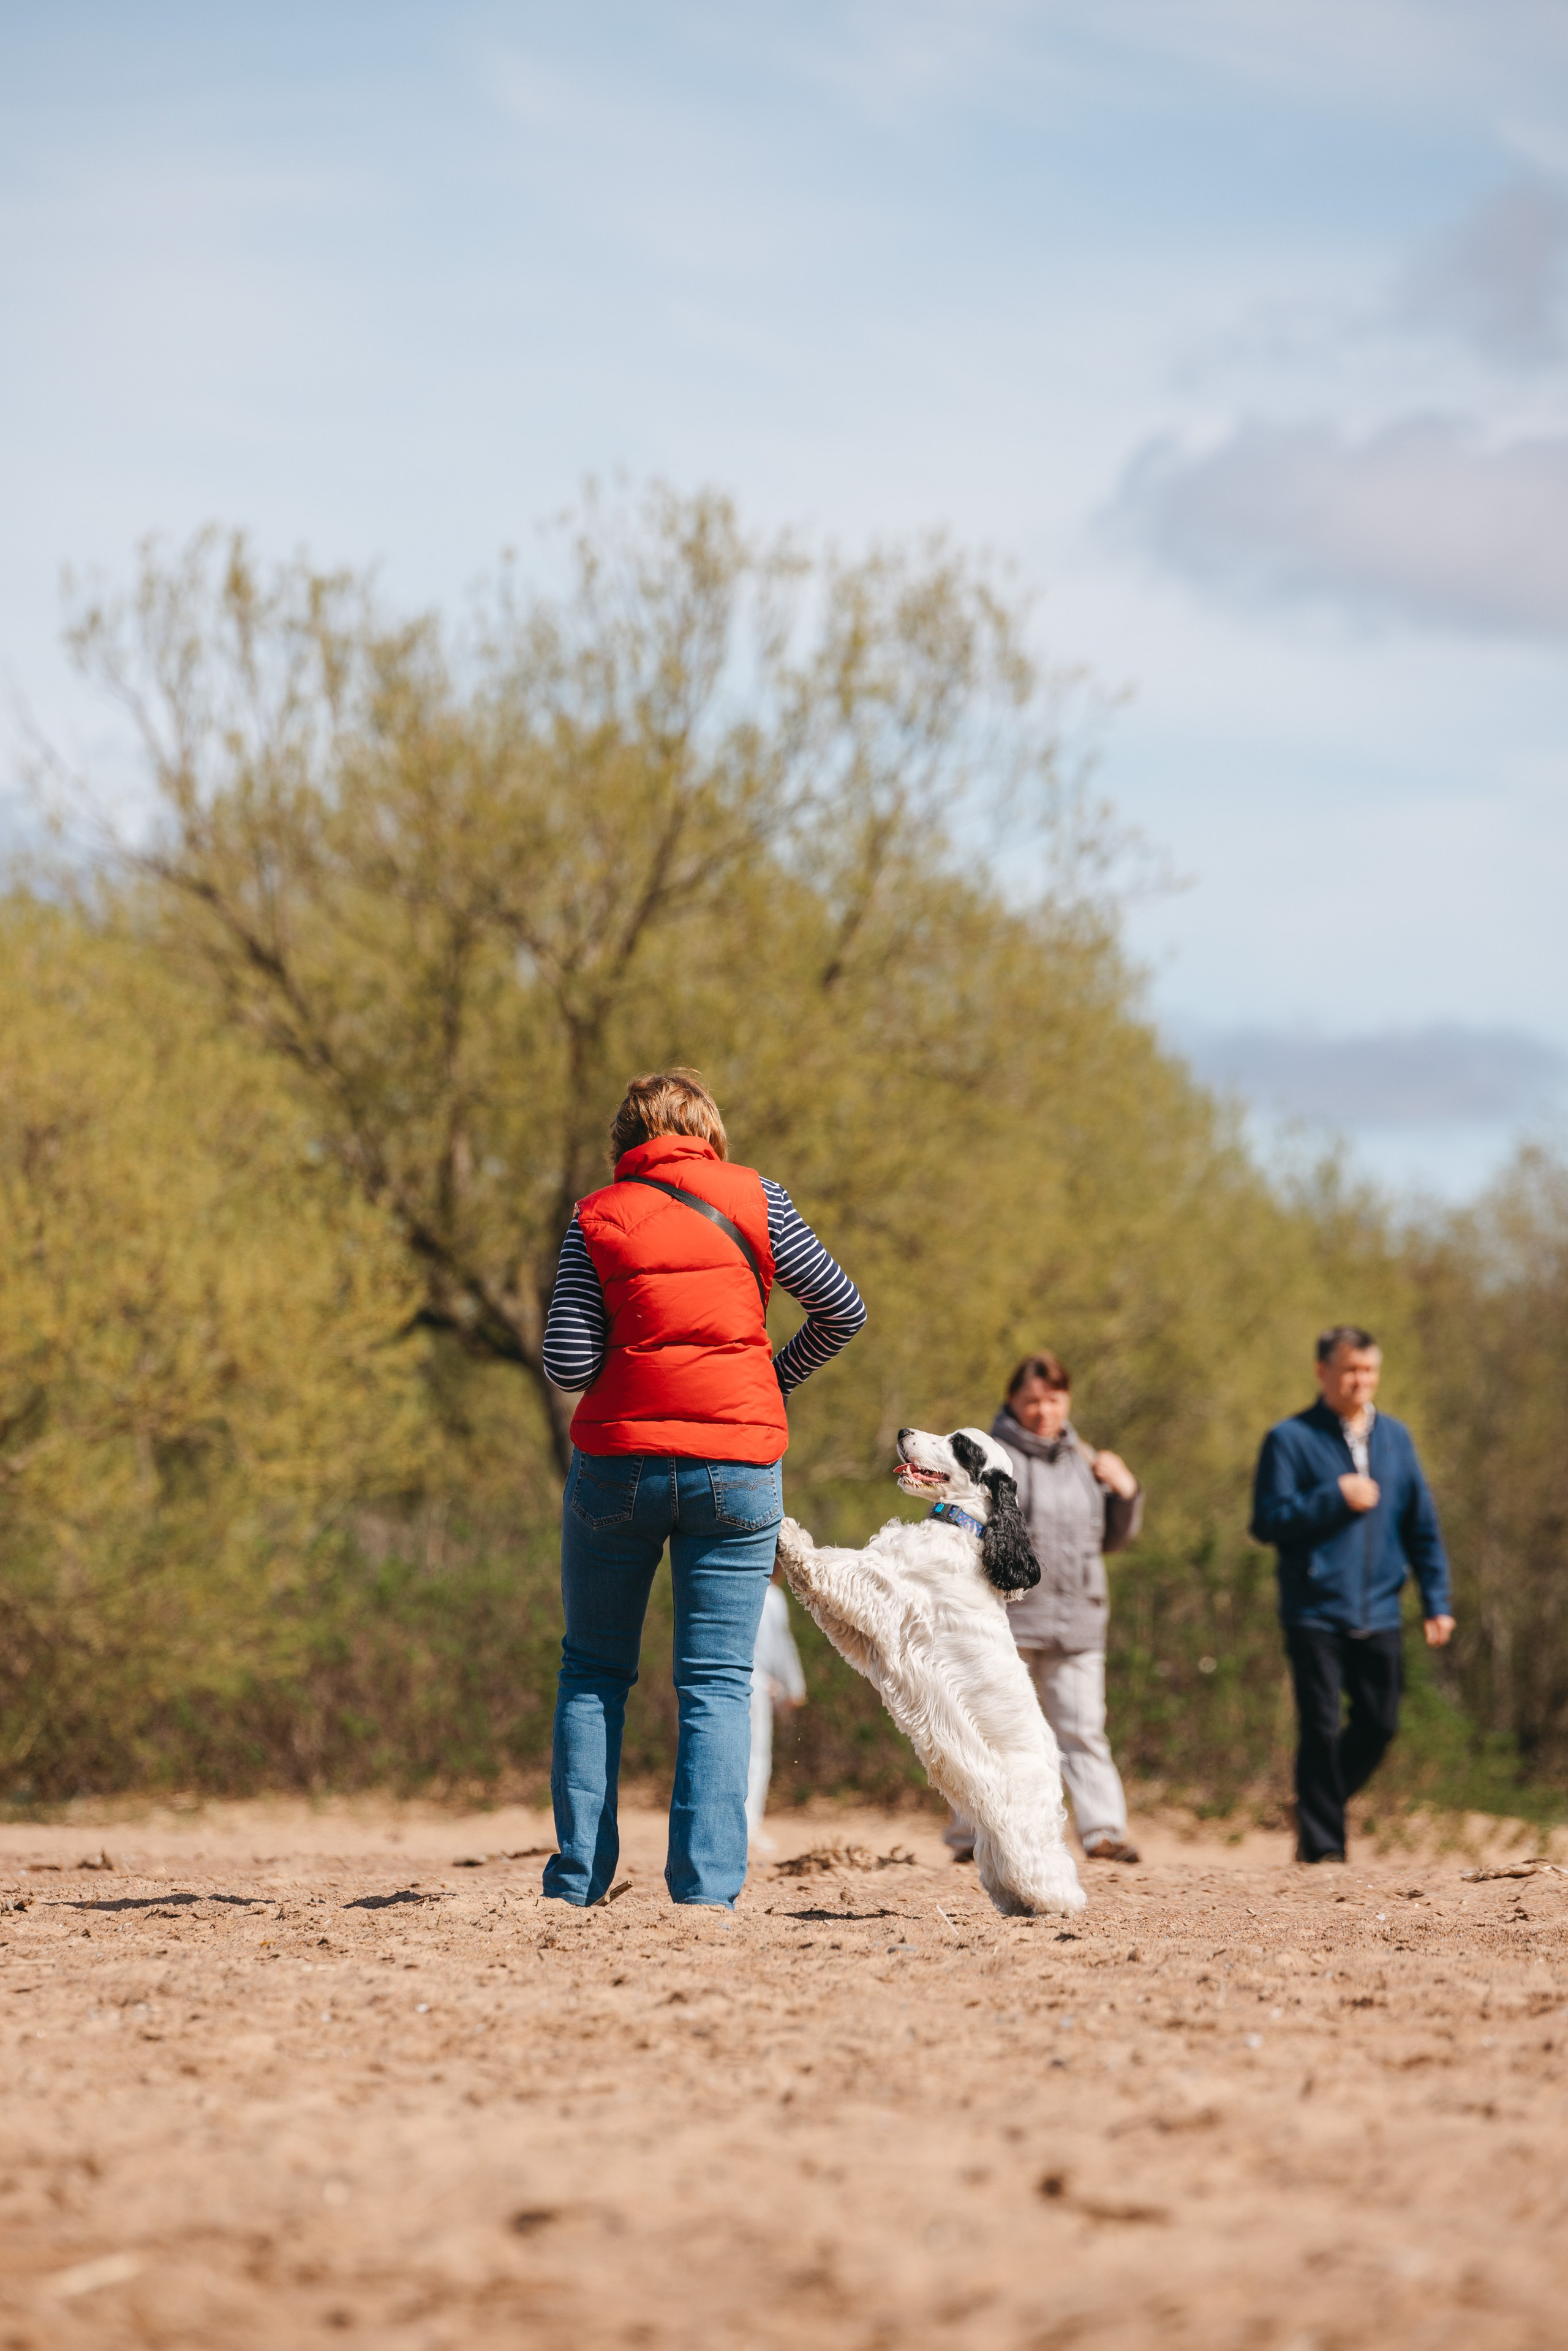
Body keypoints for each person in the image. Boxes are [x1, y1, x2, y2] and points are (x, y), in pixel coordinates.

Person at [540, 1068, 865, 1911]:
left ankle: (577, 1881)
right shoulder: (761, 1198)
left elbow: (568, 1363)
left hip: (619, 1463)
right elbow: (842, 1309)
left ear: (624, 1141)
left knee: (593, 1670)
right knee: (718, 1681)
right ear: (711, 1131)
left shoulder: (595, 1216)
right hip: (740, 1466)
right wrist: (768, 1381)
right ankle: (707, 1893)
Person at [1251, 1324, 1454, 1866]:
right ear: (1323, 1373)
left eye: (1368, 1371)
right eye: (1350, 1370)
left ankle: (1320, 1804)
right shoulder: (1289, 1439)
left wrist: (1437, 1599)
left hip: (1381, 1607)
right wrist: (1333, 1496)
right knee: (1318, 1726)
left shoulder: (1398, 1439)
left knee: (1380, 1722)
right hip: (1314, 1607)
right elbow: (1268, 1521)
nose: (1360, 1381)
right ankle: (1323, 1852)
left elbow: (1422, 1527)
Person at [946, 1350, 1144, 1866]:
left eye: (1053, 1399)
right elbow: (952, 1524)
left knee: (1083, 1729)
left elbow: (1114, 1539)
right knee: (989, 1726)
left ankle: (1103, 1832)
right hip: (1006, 1619)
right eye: (1032, 1400)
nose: (1043, 1410)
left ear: (1067, 1400)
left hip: (1078, 1619)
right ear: (1012, 1401)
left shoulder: (1085, 1460)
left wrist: (1126, 1492)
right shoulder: (987, 1458)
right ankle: (972, 1834)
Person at [746, 1569, 808, 1853]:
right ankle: (748, 1827)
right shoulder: (771, 1596)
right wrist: (794, 1687)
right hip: (756, 1681)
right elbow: (780, 1646)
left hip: (719, 1681)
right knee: (756, 1756)